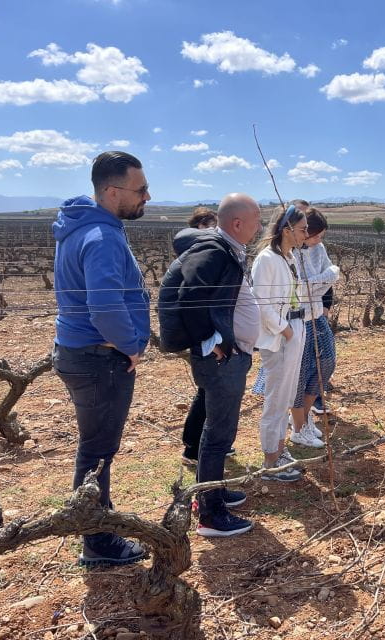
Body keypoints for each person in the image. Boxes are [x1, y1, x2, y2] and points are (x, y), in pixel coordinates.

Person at [52, 151, 151, 566]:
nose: (148, 196)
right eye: (140, 189)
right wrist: (130, 344)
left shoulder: (83, 229)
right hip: (99, 359)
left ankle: (98, 522)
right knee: (97, 451)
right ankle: (97, 541)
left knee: (94, 448)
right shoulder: (103, 238)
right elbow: (106, 307)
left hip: (81, 353)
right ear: (112, 192)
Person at [159, 193, 262, 537]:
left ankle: (213, 491)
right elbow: (190, 295)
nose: (261, 226)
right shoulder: (215, 250)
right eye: (257, 220)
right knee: (218, 435)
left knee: (219, 431)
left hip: (230, 358)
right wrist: (212, 339)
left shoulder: (225, 249)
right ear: (237, 223)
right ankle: (210, 514)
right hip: (221, 361)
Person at [169, 207, 231, 468]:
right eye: (212, 226)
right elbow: (193, 300)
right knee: (208, 392)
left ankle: (201, 444)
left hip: (209, 333)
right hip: (204, 334)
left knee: (208, 392)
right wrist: (208, 338)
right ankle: (195, 448)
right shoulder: (200, 254)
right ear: (201, 226)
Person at [251, 205, 309, 481]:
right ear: (286, 229)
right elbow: (260, 302)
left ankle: (279, 449)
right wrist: (285, 329)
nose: (306, 234)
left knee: (287, 395)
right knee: (276, 398)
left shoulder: (289, 258)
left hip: (295, 329)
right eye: (302, 229)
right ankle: (270, 460)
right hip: (280, 337)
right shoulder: (267, 259)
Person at [287, 208, 340, 447]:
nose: (319, 240)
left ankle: (306, 417)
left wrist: (317, 284)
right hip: (298, 320)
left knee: (326, 363)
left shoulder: (319, 249)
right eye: (316, 235)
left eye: (321, 235)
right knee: (300, 373)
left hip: (317, 315)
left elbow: (333, 273)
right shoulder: (290, 254)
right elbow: (299, 290)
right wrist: (322, 280)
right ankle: (298, 427)